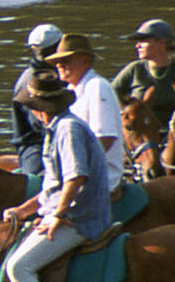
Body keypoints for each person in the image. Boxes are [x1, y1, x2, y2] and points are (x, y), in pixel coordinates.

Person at [2, 69, 112, 282]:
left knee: (19, 266)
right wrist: (23, 210)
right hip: (63, 211)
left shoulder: (68, 130)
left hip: (81, 218)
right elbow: (52, 186)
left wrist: (58, 215)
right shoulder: (56, 129)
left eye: (30, 107)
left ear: (40, 110)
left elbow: (75, 178)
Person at [46, 33, 125, 181]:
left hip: (101, 180)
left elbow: (105, 139)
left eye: (66, 60)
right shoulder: (70, 91)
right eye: (57, 61)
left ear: (86, 60)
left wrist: (75, 174)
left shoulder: (97, 87)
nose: (59, 65)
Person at [111, 18, 175, 128]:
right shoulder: (134, 69)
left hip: (172, 135)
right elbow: (110, 95)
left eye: (143, 41)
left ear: (162, 42)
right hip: (138, 135)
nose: (137, 46)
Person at [10, 23, 64, 181]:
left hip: (54, 137)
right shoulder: (32, 81)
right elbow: (39, 124)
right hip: (34, 144)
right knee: (38, 181)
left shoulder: (54, 74)